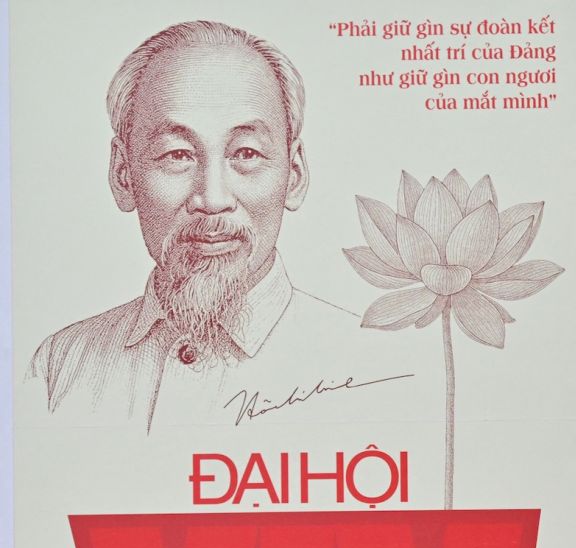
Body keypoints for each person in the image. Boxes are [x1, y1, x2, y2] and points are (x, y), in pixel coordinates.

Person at [29, 20, 411, 432]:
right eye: (177, 154)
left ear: (295, 175)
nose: (212, 199)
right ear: (123, 175)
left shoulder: (376, 367)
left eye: (246, 153)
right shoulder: (59, 365)